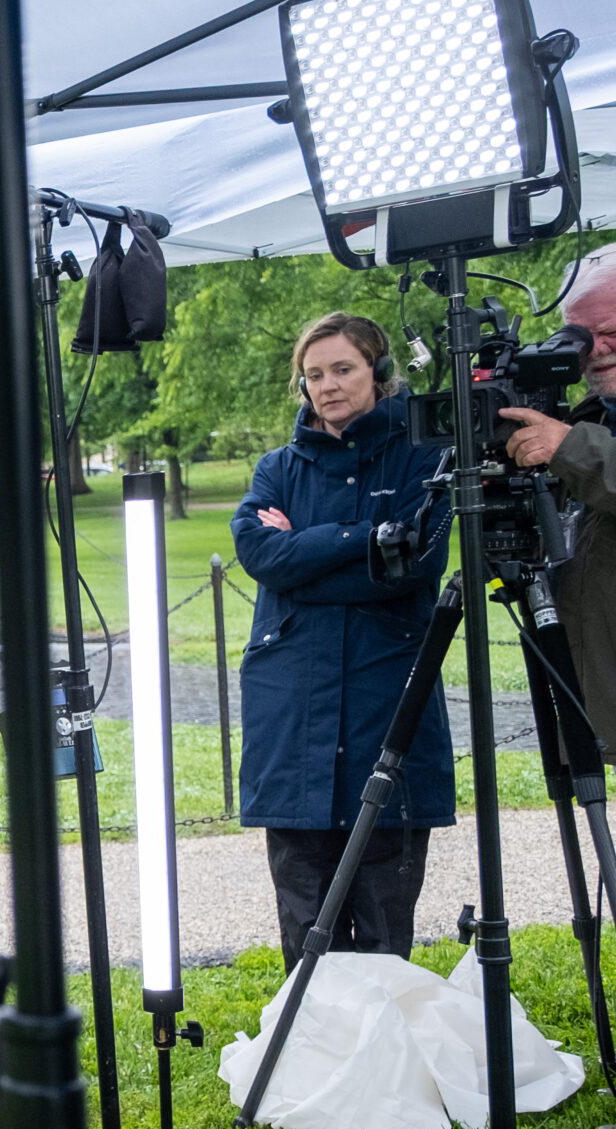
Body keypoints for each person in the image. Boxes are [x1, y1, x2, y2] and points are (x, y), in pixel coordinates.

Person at [233, 312, 454, 970]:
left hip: (385, 713)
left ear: (379, 373)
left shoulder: (424, 458)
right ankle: (315, 1062)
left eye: (343, 369)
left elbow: (412, 564)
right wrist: (364, 538)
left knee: (385, 934)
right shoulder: (276, 468)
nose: (327, 386)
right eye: (315, 374)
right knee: (307, 938)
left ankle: (382, 1068)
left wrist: (304, 556)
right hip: (292, 728)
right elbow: (259, 551)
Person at [503, 247, 616, 733]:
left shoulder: (576, 435)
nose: (597, 351)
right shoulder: (591, 415)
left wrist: (569, 447)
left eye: (611, 331)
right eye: (583, 338)